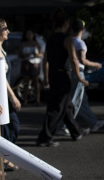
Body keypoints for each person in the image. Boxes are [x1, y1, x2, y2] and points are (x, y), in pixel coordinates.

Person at [36, 8, 90, 147]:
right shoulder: (67, 39)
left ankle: (76, 132)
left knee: (66, 106)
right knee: (56, 107)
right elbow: (73, 59)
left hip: (54, 75)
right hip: (63, 75)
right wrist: (79, 77)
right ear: (66, 23)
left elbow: (45, 60)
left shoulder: (51, 39)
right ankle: (45, 138)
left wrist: (46, 76)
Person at [0, 18, 21, 172]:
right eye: (4, 28)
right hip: (0, 96)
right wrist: (13, 96)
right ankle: (0, 160)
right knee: (2, 129)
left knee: (12, 127)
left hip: (4, 96)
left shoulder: (0, 48)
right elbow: (0, 77)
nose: (8, 31)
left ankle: (4, 157)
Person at [71, 19, 104, 132]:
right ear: (83, 28)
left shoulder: (69, 41)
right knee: (75, 101)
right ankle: (66, 126)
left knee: (81, 101)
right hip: (78, 73)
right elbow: (82, 60)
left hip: (70, 72)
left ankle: (93, 122)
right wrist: (95, 64)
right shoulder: (80, 43)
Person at [18, 30, 43, 105]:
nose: (29, 36)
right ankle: (25, 100)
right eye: (27, 34)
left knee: (36, 82)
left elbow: (41, 54)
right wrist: (24, 55)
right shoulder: (23, 44)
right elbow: (19, 54)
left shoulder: (36, 44)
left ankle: (37, 100)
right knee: (26, 82)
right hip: (26, 63)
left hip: (35, 64)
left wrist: (36, 54)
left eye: (30, 34)